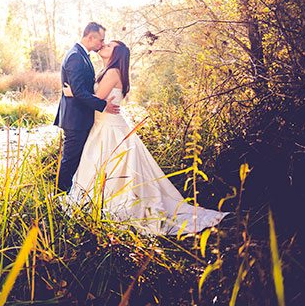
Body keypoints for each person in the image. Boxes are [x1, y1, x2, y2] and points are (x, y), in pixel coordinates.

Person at [63, 40, 229, 235]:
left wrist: (73, 92)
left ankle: (116, 204)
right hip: (105, 125)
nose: (104, 46)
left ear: (116, 54)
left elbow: (96, 99)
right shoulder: (112, 71)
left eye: (109, 46)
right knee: (104, 166)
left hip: (109, 128)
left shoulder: (112, 72)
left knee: (110, 166)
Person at [54, 22, 120, 194]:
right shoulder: (76, 56)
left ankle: (70, 192)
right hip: (75, 119)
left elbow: (78, 90)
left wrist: (74, 93)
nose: (102, 44)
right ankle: (60, 196)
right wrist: (103, 105)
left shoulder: (82, 55)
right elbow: (80, 91)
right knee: (70, 160)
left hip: (81, 118)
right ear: (90, 37)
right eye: (101, 40)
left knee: (76, 159)